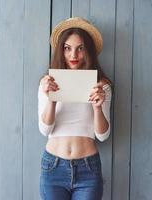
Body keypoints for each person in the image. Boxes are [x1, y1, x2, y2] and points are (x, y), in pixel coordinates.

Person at [38, 17, 113, 200]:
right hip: (53, 167)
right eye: (67, 48)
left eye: (80, 48)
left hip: (88, 169)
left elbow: (102, 135)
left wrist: (97, 107)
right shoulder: (47, 83)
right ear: (60, 50)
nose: (74, 55)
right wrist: (52, 99)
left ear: (88, 51)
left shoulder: (101, 86)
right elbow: (44, 129)